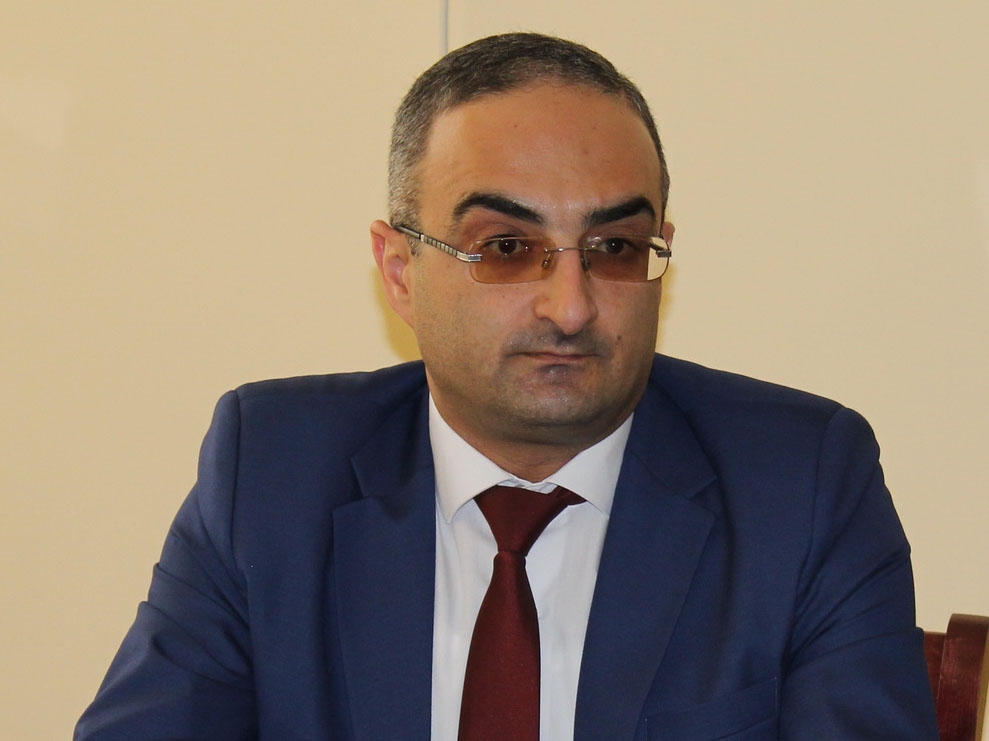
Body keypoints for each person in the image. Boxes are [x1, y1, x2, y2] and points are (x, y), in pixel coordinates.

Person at [75, 32, 938, 740]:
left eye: (613, 249)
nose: (570, 306)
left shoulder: (801, 485)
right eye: (505, 249)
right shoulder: (271, 473)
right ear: (400, 270)